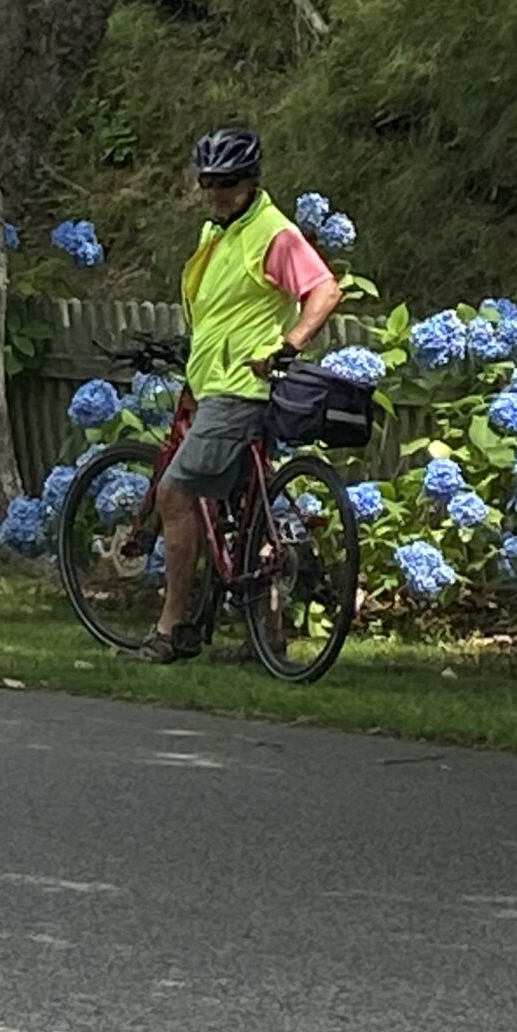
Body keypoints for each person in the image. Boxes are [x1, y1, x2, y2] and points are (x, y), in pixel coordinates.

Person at [142, 126, 343, 662]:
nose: (216, 192)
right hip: (214, 382)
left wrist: (290, 343)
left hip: (240, 389)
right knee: (244, 511)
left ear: (252, 180)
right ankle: (265, 639)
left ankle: (170, 629)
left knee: (175, 493)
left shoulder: (272, 233)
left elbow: (324, 290)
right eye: (208, 182)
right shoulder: (220, 233)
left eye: (227, 183)